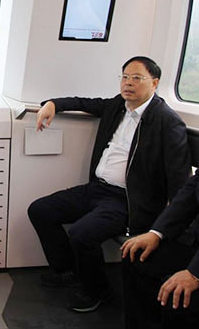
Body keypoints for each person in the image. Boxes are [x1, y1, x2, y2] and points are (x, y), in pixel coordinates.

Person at [27, 56, 190, 313]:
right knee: (40, 210)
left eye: (137, 78)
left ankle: (98, 291)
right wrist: (52, 104)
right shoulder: (118, 106)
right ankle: (66, 271)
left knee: (81, 234)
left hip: (128, 201)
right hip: (98, 188)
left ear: (155, 83)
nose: (128, 83)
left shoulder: (167, 122)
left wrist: (163, 226)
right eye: (125, 77)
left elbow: (179, 180)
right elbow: (83, 103)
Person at [121, 62, 199, 329]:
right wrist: (156, 233)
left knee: (177, 301)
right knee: (135, 257)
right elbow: (189, 194)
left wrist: (197, 273)